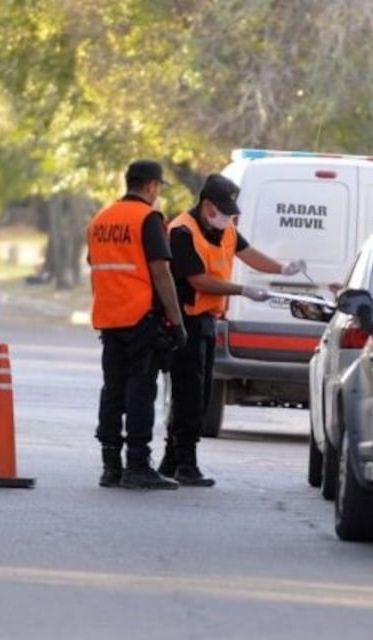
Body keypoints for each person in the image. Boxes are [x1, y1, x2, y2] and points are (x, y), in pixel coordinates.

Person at [160, 174, 306, 486]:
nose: (229, 218)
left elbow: (249, 254)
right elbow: (198, 281)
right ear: (207, 205)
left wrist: (283, 269)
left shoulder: (224, 230)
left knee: (199, 395)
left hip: (208, 321)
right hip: (184, 323)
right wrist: (242, 290)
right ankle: (185, 463)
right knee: (189, 395)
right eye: (224, 211)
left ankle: (171, 461)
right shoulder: (182, 232)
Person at [86, 159, 187, 490]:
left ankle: (110, 466)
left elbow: (95, 264)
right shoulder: (148, 218)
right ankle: (137, 465)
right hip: (141, 319)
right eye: (158, 188)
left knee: (112, 391)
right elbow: (160, 271)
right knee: (141, 392)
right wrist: (176, 319)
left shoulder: (101, 219)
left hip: (109, 319)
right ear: (151, 186)